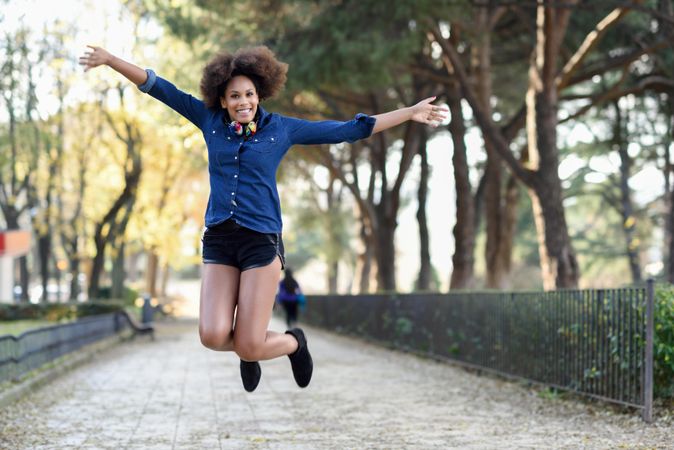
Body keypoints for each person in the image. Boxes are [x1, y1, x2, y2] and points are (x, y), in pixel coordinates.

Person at [79, 45, 448, 393]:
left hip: (261, 241)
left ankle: (291, 343)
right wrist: (111, 60)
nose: (243, 102)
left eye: (250, 94)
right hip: (220, 240)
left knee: (250, 344)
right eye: (235, 96)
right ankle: (249, 349)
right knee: (211, 335)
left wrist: (409, 113)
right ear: (222, 100)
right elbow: (157, 86)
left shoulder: (282, 129)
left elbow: (349, 129)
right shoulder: (208, 121)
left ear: (260, 96)